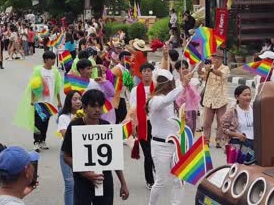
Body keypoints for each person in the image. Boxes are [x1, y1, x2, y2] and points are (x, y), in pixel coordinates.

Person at [62, 89, 129, 205]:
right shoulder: (75, 126)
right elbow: (66, 156)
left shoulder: (107, 126)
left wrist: (123, 183)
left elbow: (115, 159)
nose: (97, 110)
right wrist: (84, 172)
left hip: (105, 180)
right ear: (84, 107)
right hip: (82, 181)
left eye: (100, 106)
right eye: (93, 106)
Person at [147, 69, 188, 205]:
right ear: (168, 84)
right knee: (161, 181)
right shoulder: (155, 100)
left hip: (175, 145)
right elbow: (165, 101)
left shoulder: (171, 101)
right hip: (160, 146)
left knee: (179, 180)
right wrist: (183, 86)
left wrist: (181, 120)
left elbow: (170, 122)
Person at [129, 62, 155, 190]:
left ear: (152, 73)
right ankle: (150, 180)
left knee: (155, 153)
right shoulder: (135, 90)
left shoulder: (157, 88)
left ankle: (156, 172)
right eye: (144, 70)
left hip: (156, 124)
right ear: (141, 73)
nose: (146, 73)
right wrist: (133, 127)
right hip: (142, 124)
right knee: (148, 154)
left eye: (149, 70)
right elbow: (133, 109)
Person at [30, 51, 62, 152]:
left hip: (49, 103)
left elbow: (57, 87)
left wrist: (59, 100)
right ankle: (36, 142)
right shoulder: (38, 70)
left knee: (45, 122)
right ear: (45, 60)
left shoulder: (55, 72)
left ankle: (43, 140)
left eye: (54, 59)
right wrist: (32, 99)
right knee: (38, 123)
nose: (53, 61)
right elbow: (33, 85)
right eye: (51, 59)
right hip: (39, 101)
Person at [199, 49, 230, 147]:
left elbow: (221, 74)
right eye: (213, 57)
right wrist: (200, 64)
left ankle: (219, 140)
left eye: (218, 58)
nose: (215, 59)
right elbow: (201, 73)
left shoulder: (225, 68)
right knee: (206, 122)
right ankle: (206, 140)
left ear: (221, 59)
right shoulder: (208, 67)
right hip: (209, 98)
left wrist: (211, 70)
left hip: (221, 98)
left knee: (221, 121)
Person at [57, 90, 82, 205]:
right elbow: (65, 135)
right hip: (67, 153)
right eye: (75, 99)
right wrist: (74, 121)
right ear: (69, 101)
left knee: (81, 182)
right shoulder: (63, 117)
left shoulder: (86, 116)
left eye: (80, 99)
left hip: (82, 152)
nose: (78, 102)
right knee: (70, 183)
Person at [222, 85, 255, 163]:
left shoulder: (255, 109)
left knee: (249, 169)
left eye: (249, 95)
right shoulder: (232, 111)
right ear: (237, 97)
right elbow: (224, 129)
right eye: (245, 95)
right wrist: (237, 135)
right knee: (235, 168)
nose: (248, 97)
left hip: (253, 145)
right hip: (237, 144)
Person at [175, 60, 201, 134]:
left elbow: (195, 97)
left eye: (186, 68)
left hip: (192, 110)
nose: (185, 70)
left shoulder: (194, 82)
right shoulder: (176, 83)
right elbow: (176, 99)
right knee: (183, 132)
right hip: (182, 110)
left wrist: (188, 83)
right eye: (182, 68)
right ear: (177, 70)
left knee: (191, 132)